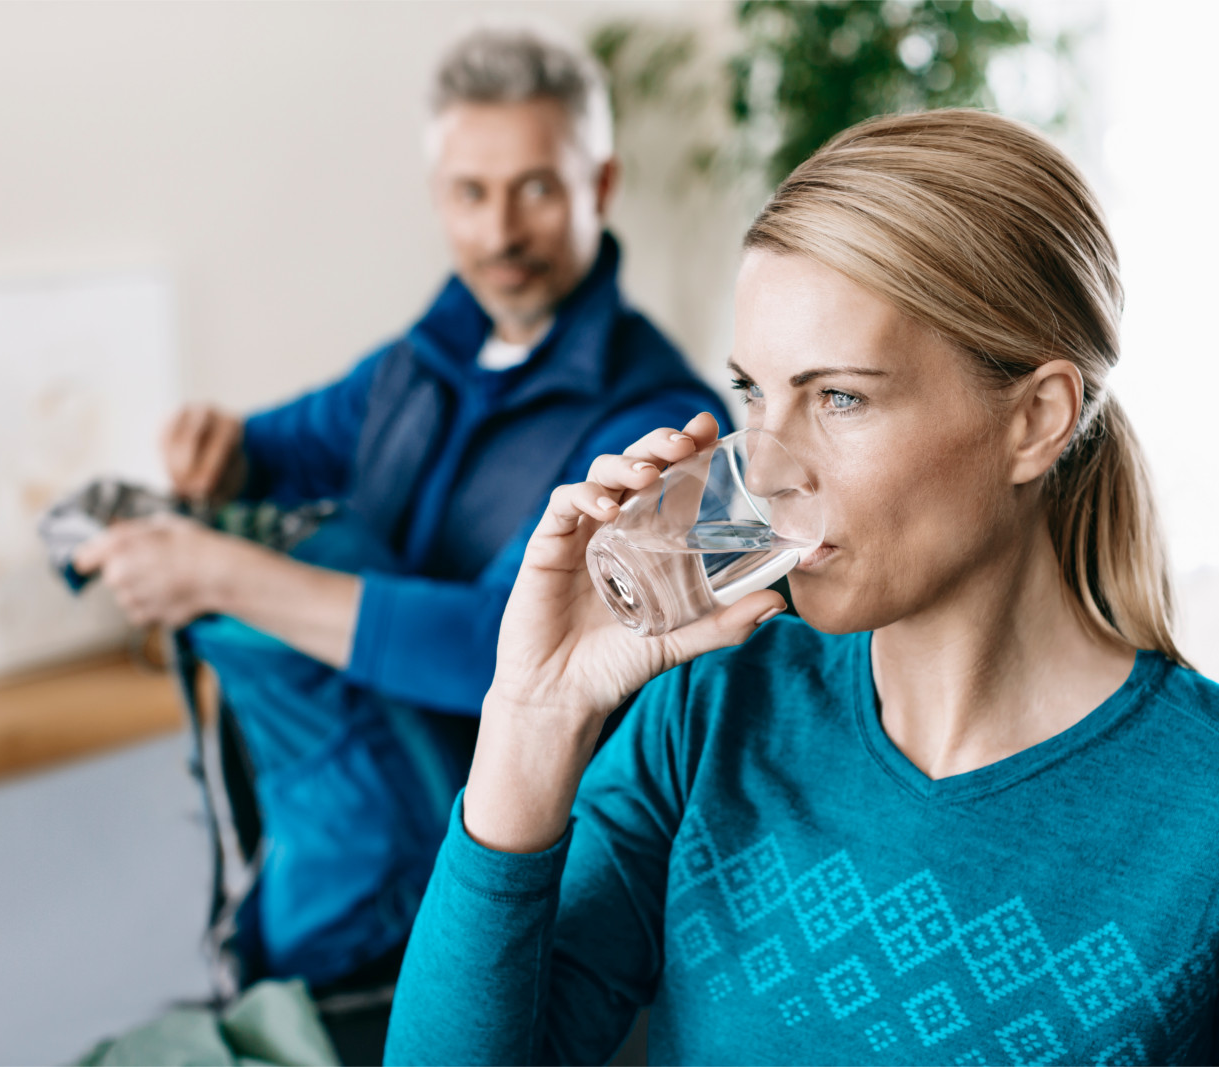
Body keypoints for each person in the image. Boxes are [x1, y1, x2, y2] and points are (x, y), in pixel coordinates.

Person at [382, 110, 1219, 1066]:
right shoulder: (711, 711)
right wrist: (531, 711)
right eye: (754, 393)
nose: (766, 471)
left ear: (1034, 419)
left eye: (840, 397)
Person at [71, 25, 729, 1019]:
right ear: (438, 199)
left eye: (536, 189)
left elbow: (505, 654)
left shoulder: (655, 428)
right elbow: (280, 445)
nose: (499, 231)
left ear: (600, 184)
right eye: (470, 193)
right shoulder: (421, 362)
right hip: (330, 866)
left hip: (494, 900)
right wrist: (224, 447)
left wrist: (221, 575)